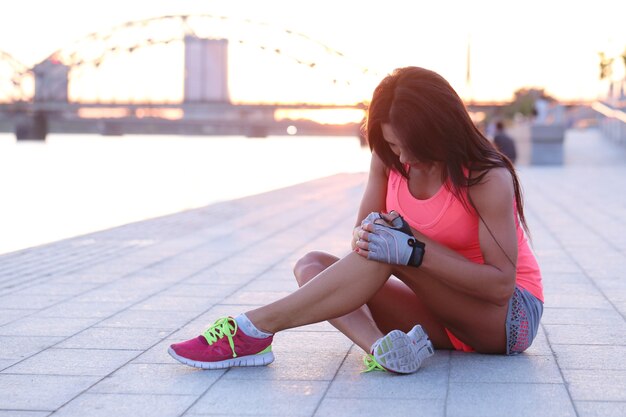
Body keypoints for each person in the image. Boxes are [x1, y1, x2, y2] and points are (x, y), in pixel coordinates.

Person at [168, 67, 544, 374]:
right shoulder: (389, 159)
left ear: (441, 130)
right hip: (438, 313)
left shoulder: (485, 177)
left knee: (391, 246)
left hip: (505, 318)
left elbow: (500, 285)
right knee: (312, 264)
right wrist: (379, 239)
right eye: (395, 146)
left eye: (414, 147)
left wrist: (413, 251)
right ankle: (383, 350)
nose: (405, 158)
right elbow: (363, 239)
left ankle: (254, 328)